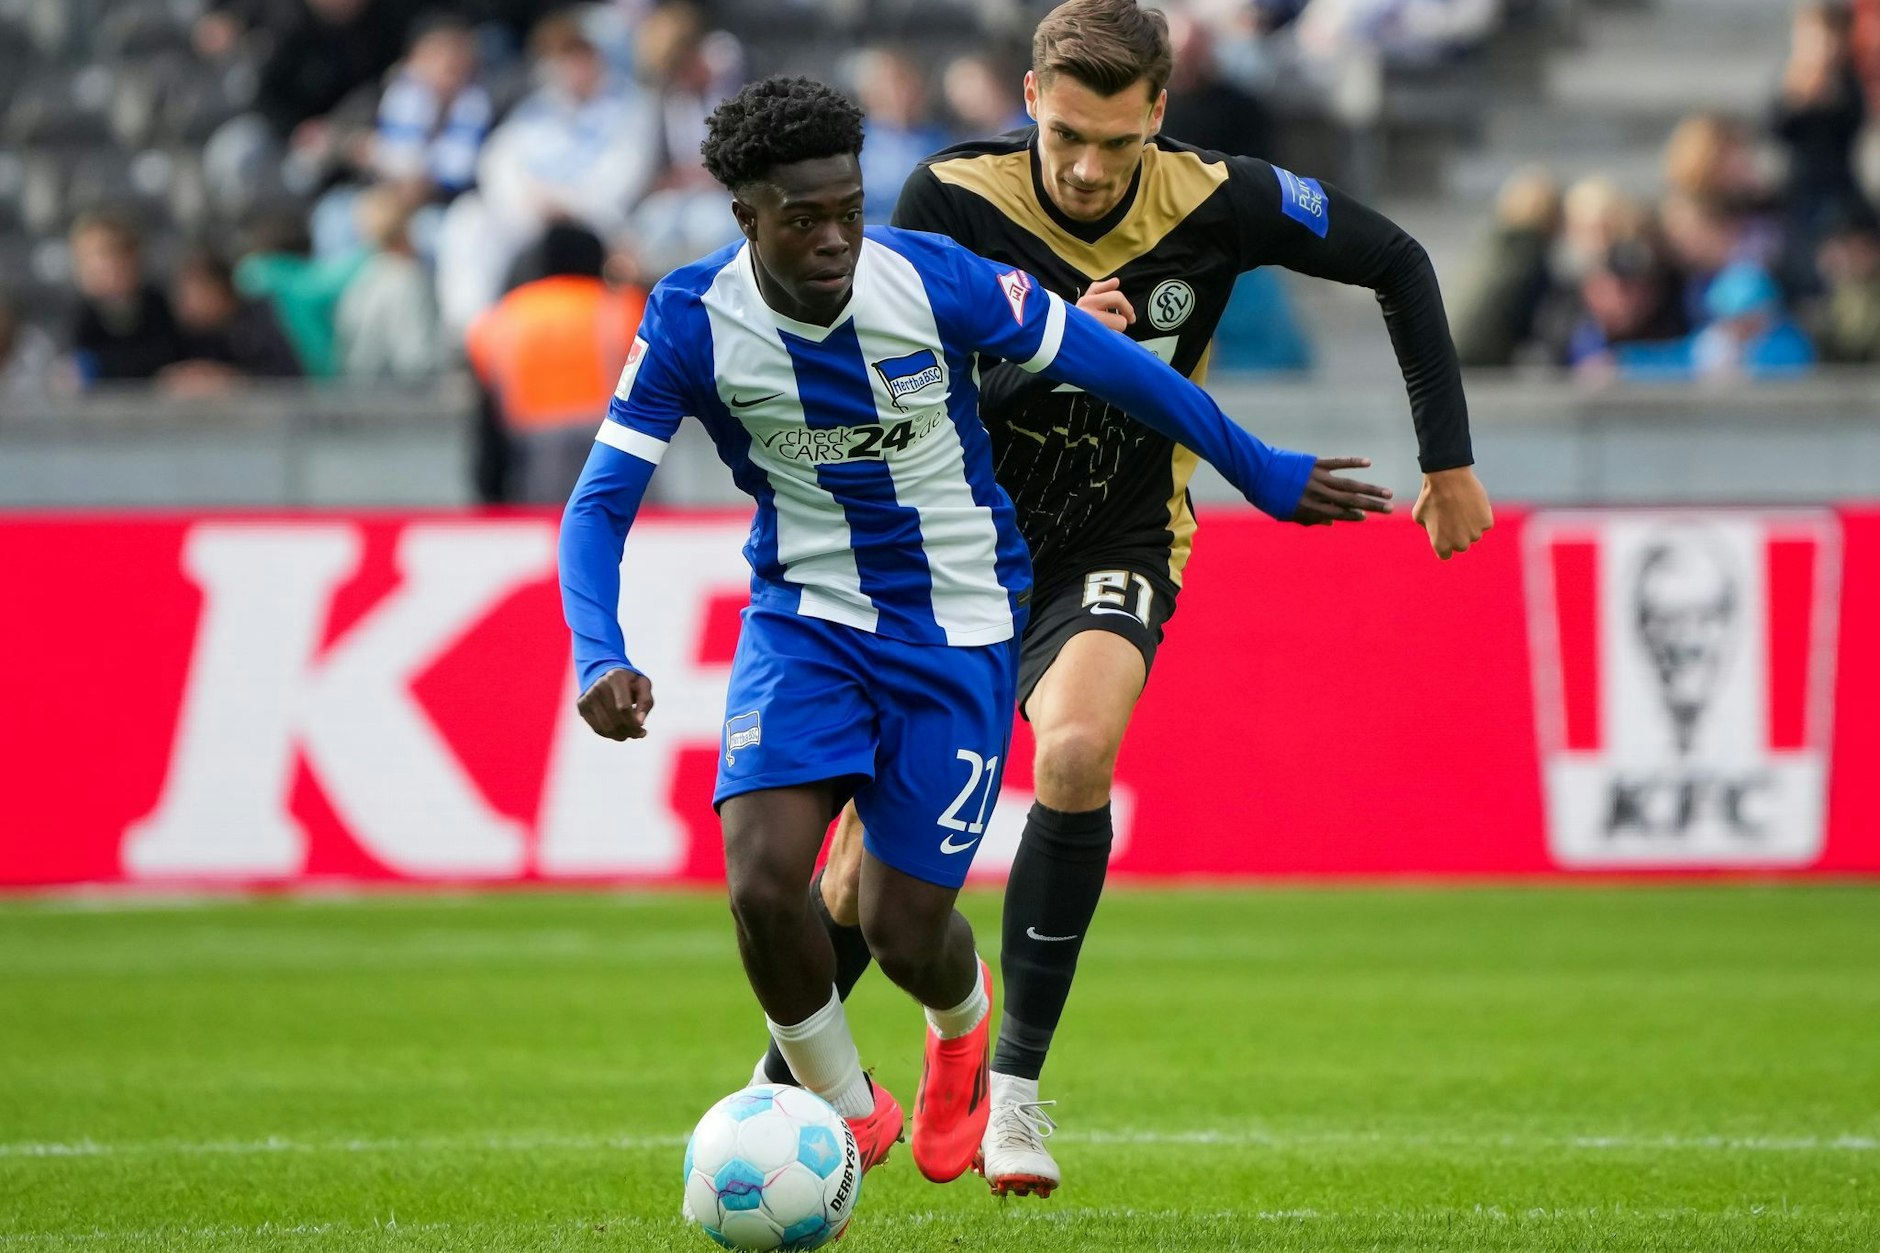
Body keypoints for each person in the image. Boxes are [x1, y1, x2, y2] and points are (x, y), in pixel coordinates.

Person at [558, 75, 1391, 1187]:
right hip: (802, 617)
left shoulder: (931, 279)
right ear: (745, 217)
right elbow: (599, 503)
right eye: (801, 218)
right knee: (762, 879)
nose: (833, 237)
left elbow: (1129, 375)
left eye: (846, 206)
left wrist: (1264, 472)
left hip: (956, 627)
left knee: (905, 928)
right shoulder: (687, 319)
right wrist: (598, 650)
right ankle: (847, 1116)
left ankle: (961, 1022)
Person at [754, 0, 1492, 1200]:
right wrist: (1033, 351)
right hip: (951, 556)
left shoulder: (1218, 198)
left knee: (1078, 749)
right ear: (1032, 98)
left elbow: (1396, 259)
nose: (1091, 170)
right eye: (1068, 139)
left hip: (1116, 535)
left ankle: (1016, 1096)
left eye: (1119, 141)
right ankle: (786, 1086)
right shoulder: (949, 199)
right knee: (848, 887)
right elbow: (904, 400)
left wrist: (1445, 460)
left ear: (1158, 110)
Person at [467, 225, 645, 502]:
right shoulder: (623, 307)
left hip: (533, 453)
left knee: (551, 531)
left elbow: (488, 413)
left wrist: (489, 491)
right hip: (614, 446)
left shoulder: (500, 318)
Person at [66, 212, 187, 384]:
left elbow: (170, 362)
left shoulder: (161, 307)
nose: (103, 266)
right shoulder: (79, 317)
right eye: (93, 257)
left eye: (113, 254)